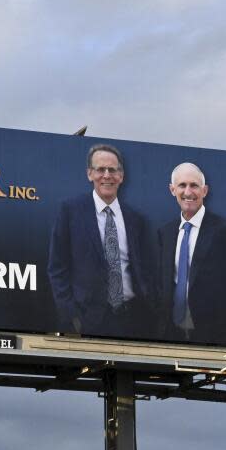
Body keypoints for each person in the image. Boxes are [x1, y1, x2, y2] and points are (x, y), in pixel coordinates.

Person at [48, 144, 153, 338]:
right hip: (88, 321)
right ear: (90, 174)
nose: (107, 175)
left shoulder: (136, 219)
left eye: (112, 170)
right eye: (100, 169)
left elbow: (147, 269)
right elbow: (57, 268)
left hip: (134, 319)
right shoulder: (71, 212)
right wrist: (72, 317)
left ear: (121, 176)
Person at [157, 162, 226, 344]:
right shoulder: (165, 233)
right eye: (182, 185)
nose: (188, 192)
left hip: (213, 336)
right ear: (172, 190)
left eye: (194, 186)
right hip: (170, 335)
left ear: (205, 191)